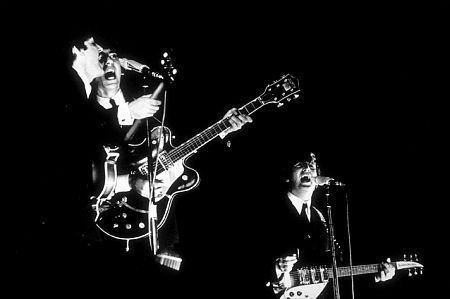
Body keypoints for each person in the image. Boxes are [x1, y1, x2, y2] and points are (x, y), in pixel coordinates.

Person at [261, 152, 396, 299]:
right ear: (287, 176)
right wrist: (277, 268)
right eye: (300, 164)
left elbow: (334, 273)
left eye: (311, 166)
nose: (307, 168)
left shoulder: (321, 216)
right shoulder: (269, 211)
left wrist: (375, 276)